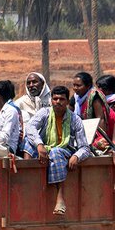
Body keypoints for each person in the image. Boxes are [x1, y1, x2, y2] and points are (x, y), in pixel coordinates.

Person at [24, 85, 91, 215]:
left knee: (56, 152)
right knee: (27, 142)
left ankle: (60, 197)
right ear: (51, 100)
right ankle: (29, 179)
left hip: (63, 151)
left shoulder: (75, 119)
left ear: (67, 101)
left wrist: (76, 156)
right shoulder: (45, 113)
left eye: (61, 99)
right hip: (44, 148)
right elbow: (30, 127)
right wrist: (39, 145)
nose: (58, 102)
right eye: (55, 99)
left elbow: (84, 147)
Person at [71, 72, 112, 147]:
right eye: (74, 85)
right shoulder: (76, 97)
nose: (75, 88)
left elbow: (101, 118)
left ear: (88, 86)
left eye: (79, 85)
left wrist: (102, 138)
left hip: (95, 131)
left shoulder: (94, 96)